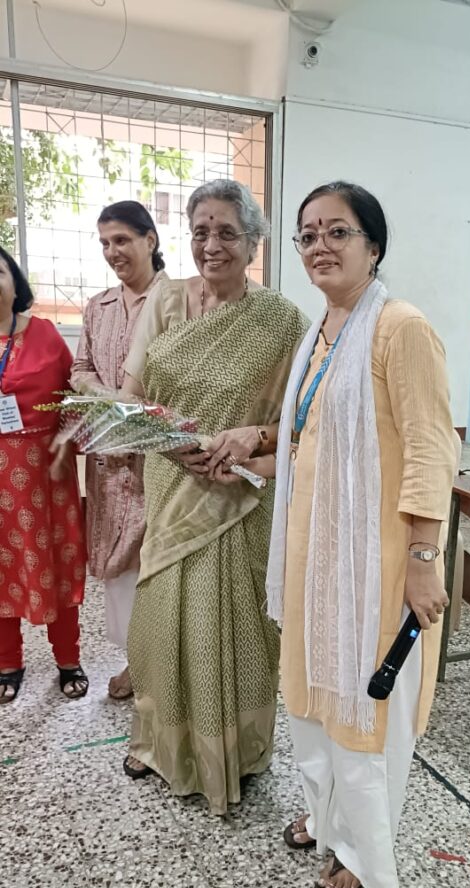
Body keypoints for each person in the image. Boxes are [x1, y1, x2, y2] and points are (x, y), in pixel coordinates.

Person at [263, 182, 456, 888]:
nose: (320, 246)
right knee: (314, 693)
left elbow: (431, 450)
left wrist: (423, 560)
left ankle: (363, 852)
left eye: (337, 231)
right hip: (316, 557)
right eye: (308, 234)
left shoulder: (399, 327)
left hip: (377, 562)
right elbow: (314, 439)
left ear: (373, 246)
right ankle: (326, 817)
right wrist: (252, 450)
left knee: (364, 704)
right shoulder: (323, 330)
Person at [121, 179, 309, 814]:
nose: (211, 245)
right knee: (163, 618)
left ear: (254, 243)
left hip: (239, 499)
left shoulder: (282, 322)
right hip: (172, 484)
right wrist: (173, 446)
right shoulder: (166, 301)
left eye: (227, 232)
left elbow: (303, 422)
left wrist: (252, 446)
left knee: (234, 626)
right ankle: (161, 743)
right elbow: (129, 399)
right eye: (200, 231)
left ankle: (236, 752)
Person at [70, 201, 167, 700]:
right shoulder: (99, 306)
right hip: (109, 459)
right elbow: (80, 368)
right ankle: (135, 659)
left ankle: (163, 666)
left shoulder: (178, 301)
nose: (113, 252)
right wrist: (107, 397)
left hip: (161, 459)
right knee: (119, 569)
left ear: (150, 240)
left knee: (158, 564)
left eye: (122, 240)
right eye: (105, 243)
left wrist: (139, 410)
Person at [0, 248, 88, 704]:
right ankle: (7, 663)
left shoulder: (46, 334)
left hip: (46, 471)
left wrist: (66, 443)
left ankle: (68, 659)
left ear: (15, 282)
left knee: (59, 562)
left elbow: (74, 399)